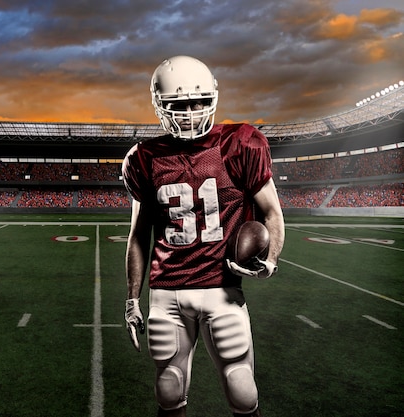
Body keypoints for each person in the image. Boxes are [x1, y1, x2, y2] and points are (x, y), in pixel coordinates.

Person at [122, 55, 285, 417]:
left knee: (242, 387)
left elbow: (272, 211)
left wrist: (270, 260)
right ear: (161, 106)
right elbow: (138, 235)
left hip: (220, 286)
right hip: (167, 291)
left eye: (198, 102)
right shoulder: (144, 158)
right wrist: (132, 299)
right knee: (169, 388)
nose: (190, 112)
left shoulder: (241, 142)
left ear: (212, 98)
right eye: (179, 104)